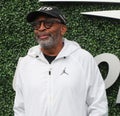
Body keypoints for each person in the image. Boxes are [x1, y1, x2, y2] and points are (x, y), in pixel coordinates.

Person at [13, 6, 108, 116]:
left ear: (63, 29)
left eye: (48, 23)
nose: (41, 28)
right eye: (36, 25)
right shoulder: (26, 63)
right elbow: (20, 108)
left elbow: (98, 105)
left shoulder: (83, 59)